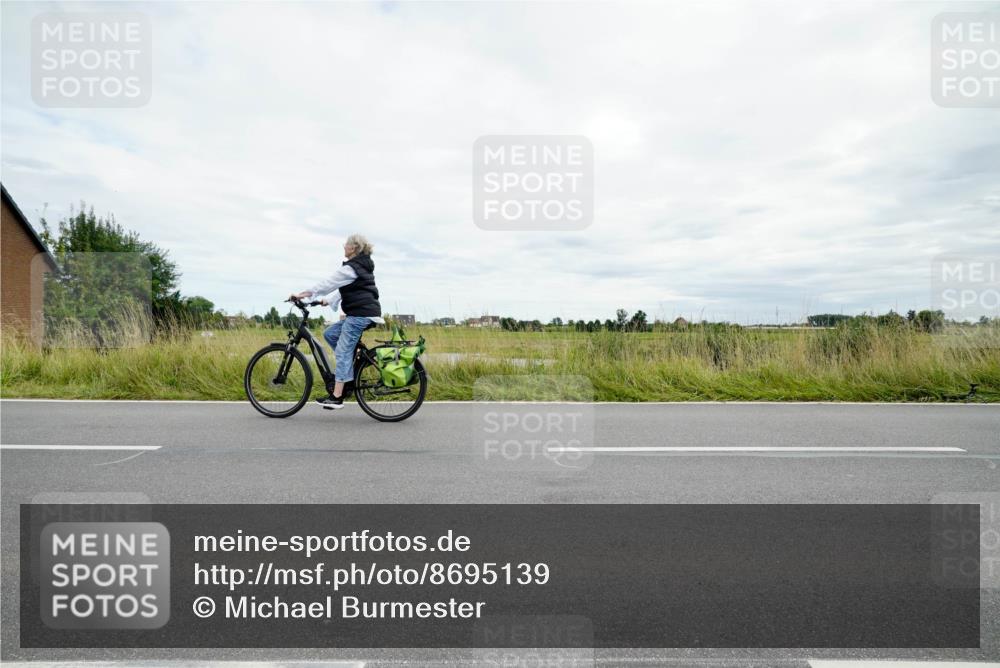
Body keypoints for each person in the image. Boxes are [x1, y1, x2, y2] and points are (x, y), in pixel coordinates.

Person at [291, 234, 383, 409]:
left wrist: (303, 294)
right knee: (330, 334)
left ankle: (337, 396)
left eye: (346, 244)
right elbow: (347, 288)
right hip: (364, 313)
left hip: (359, 315)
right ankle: (348, 372)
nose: (344, 247)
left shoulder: (351, 268)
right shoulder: (360, 267)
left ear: (353, 248)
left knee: (342, 351)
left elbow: (328, 283)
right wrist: (326, 301)